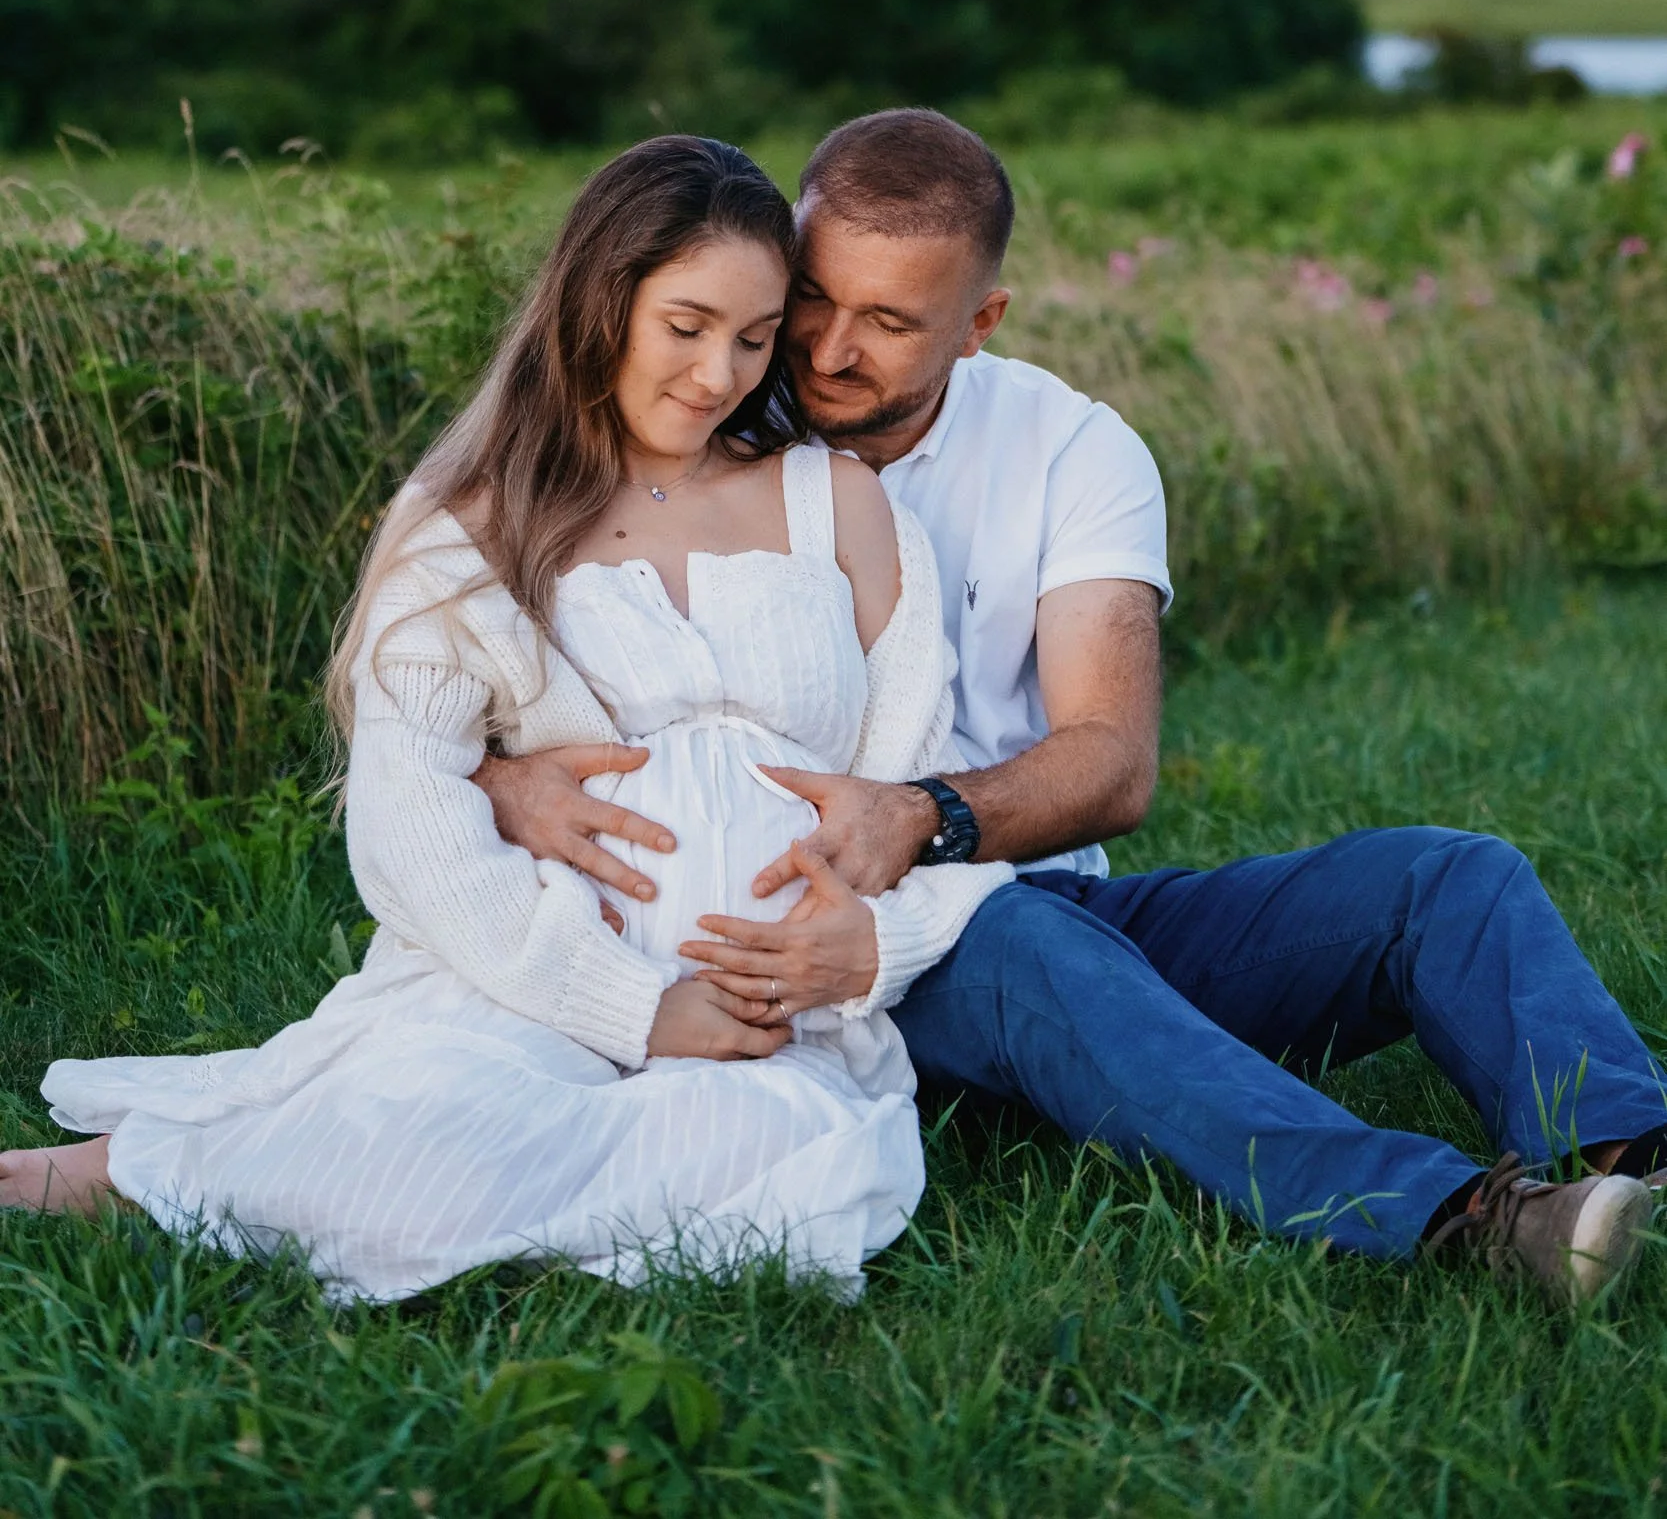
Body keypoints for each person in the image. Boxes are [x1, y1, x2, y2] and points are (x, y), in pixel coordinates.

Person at [479, 108, 1667, 1306]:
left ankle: (1627, 1164)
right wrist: (501, 778)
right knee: (1018, 940)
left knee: (1446, 881)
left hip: (1028, 889)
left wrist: (923, 813)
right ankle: (1468, 1222)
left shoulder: (1069, 448)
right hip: (856, 946)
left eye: (890, 324)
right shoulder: (702, 410)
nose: (828, 350)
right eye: (813, 301)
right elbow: (483, 673)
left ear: (980, 322)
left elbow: (1108, 760)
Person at [0, 137, 1012, 1301]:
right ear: (598, 304)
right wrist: (632, 1007)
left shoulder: (833, 502)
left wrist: (864, 951)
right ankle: (146, 1173)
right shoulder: (470, 523)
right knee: (425, 1145)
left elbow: (922, 793)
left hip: (773, 1018)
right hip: (533, 983)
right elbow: (407, 815)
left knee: (776, 1168)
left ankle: (322, 1167)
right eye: (684, 326)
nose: (717, 373)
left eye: (752, 334)